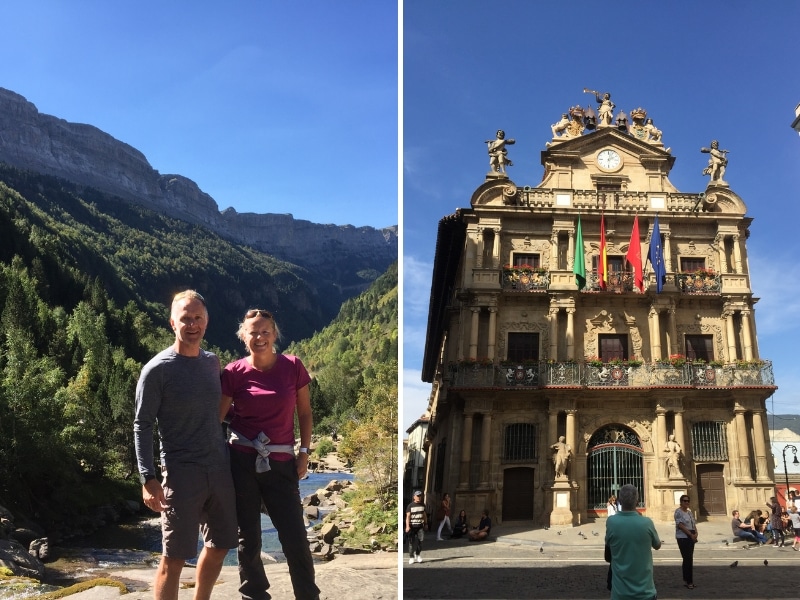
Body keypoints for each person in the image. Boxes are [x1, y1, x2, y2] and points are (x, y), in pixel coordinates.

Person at [134, 290, 238, 600]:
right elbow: (142, 424)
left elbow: (217, 410)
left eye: (198, 318)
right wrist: (147, 478)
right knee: (175, 557)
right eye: (185, 319)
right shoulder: (157, 370)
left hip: (219, 468)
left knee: (220, 545)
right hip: (180, 474)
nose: (192, 324)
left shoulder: (211, 362)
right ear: (172, 323)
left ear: (206, 322)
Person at [220, 308, 319, 600]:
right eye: (253, 332)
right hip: (241, 462)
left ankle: (307, 595)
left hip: (281, 463)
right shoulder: (233, 372)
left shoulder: (293, 366)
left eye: (265, 332)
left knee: (295, 537)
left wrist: (304, 452)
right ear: (243, 337)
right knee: (248, 537)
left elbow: (305, 412)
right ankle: (254, 595)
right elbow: (218, 417)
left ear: (275, 335)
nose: (259, 337)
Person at [605, 484, 661, 600]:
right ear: (637, 501)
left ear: (619, 501)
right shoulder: (647, 523)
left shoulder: (611, 522)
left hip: (620, 594)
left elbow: (607, 555)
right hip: (645, 593)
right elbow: (657, 545)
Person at [675, 494, 698, 590]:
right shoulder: (678, 512)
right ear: (681, 502)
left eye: (688, 501)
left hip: (691, 536)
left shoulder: (689, 513)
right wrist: (690, 534)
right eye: (684, 501)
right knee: (687, 558)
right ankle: (689, 581)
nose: (687, 502)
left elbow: (693, 524)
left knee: (689, 558)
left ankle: (687, 579)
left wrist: (696, 533)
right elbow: (680, 525)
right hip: (683, 537)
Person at [406, 490, 428, 563]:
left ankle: (417, 554)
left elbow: (424, 515)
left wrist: (426, 523)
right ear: (414, 497)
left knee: (421, 541)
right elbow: (408, 517)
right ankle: (411, 557)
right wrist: (407, 526)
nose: (419, 497)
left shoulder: (423, 505)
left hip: (420, 526)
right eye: (417, 496)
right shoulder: (410, 506)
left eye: (420, 496)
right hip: (412, 526)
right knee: (411, 542)